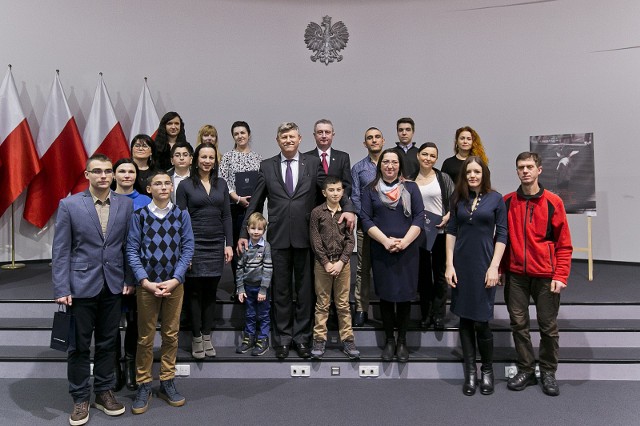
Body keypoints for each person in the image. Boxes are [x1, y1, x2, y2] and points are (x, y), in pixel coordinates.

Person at [238, 122, 355, 360]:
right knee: (280, 291)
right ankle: (282, 339)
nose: (288, 140)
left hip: (307, 237)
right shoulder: (267, 166)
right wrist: (243, 233)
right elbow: (256, 203)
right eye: (284, 137)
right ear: (277, 140)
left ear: (300, 139)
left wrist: (349, 208)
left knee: (304, 292)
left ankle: (302, 338)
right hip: (278, 237)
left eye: (292, 137)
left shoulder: (312, 163)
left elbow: (333, 188)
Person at [52, 153, 133, 426]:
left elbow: (129, 246)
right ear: (86, 175)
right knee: (79, 346)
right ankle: (79, 397)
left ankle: (103, 392)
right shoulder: (69, 205)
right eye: (97, 171)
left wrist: (129, 279)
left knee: (109, 343)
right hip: (80, 287)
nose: (103, 176)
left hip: (113, 285)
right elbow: (61, 251)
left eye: (108, 171)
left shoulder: (125, 205)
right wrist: (61, 286)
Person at [502, 151, 573, 397]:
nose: (525, 171)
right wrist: (501, 270)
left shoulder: (554, 202)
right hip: (516, 276)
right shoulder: (507, 202)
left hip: (545, 276)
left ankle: (548, 371)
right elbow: (502, 240)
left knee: (548, 326)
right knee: (518, 324)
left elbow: (564, 244)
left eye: (529, 166)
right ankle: (526, 369)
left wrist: (560, 275)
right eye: (521, 167)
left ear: (539, 170)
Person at [126, 169, 194, 414]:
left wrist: (176, 279)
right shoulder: (140, 216)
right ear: (149, 189)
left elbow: (187, 248)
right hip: (147, 286)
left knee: (171, 335)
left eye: (167, 183)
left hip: (174, 285)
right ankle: (144, 383)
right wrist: (145, 281)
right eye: (158, 183)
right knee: (145, 338)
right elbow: (132, 250)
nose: (164, 187)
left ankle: (167, 380)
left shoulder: (181, 214)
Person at [445, 156, 507, 396]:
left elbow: (502, 235)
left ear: (484, 174)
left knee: (482, 320)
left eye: (477, 172)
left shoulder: (496, 199)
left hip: (484, 265)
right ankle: (470, 372)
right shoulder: (457, 198)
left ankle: (487, 370)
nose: (472, 175)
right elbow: (451, 232)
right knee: (465, 319)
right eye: (468, 172)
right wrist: (449, 265)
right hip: (461, 265)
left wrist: (494, 267)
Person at [360, 149, 424, 362]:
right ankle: (389, 340)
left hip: (408, 250)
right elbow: (366, 219)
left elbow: (419, 217)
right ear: (380, 166)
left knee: (405, 296)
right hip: (382, 249)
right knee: (386, 297)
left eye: (394, 162)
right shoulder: (370, 189)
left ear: (400, 165)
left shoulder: (412, 188)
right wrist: (386, 241)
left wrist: (405, 241)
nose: (389, 165)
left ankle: (402, 341)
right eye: (385, 162)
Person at [176, 142, 233, 359]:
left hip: (216, 242)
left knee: (210, 293)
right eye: (203, 157)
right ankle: (196, 337)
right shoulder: (185, 186)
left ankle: (208, 336)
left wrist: (228, 243)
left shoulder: (222, 184)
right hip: (194, 243)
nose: (207, 161)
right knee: (194, 293)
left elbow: (227, 215)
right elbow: (181, 219)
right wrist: (185, 250)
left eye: (211, 157)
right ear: (195, 159)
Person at [112, 158, 152, 391]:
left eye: (131, 171)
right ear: (114, 174)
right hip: (111, 271)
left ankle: (131, 367)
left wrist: (136, 275)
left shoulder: (146, 201)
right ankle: (114, 368)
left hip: (138, 272)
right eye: (122, 171)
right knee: (111, 324)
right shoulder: (108, 199)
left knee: (136, 323)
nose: (127, 175)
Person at [309, 175, 359, 360]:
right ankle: (319, 339)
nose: (335, 193)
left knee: (343, 304)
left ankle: (347, 339)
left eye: (338, 189)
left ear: (343, 192)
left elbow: (350, 240)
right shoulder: (317, 213)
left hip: (342, 264)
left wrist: (341, 262)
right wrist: (326, 262)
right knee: (322, 303)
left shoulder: (347, 214)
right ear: (324, 192)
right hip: (323, 264)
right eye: (331, 190)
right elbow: (315, 240)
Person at [410, 142, 454, 330]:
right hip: (418, 234)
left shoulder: (443, 178)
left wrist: (447, 216)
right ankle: (425, 314)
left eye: (432, 156)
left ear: (436, 159)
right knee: (423, 276)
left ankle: (438, 314)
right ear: (418, 156)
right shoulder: (409, 180)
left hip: (440, 233)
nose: (428, 158)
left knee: (440, 275)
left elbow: (454, 202)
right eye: (425, 154)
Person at [219, 121, 263, 282]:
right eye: (236, 134)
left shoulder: (258, 158)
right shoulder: (227, 157)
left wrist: (252, 203)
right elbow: (223, 181)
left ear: (248, 134)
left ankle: (253, 284)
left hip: (254, 209)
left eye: (242, 133)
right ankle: (239, 286)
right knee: (238, 246)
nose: (240, 136)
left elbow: (261, 183)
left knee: (253, 247)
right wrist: (237, 198)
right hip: (234, 207)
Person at [350, 127, 385, 326]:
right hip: (365, 226)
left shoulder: (392, 164)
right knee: (363, 269)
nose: (374, 140)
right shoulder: (358, 168)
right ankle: (361, 309)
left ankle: (387, 306)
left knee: (387, 267)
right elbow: (355, 196)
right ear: (365, 143)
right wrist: (364, 219)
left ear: (383, 140)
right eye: (369, 138)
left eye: (377, 137)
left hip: (389, 227)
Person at [235, 212, 273, 356]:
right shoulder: (245, 246)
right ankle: (249, 338)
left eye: (259, 229)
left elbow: (268, 268)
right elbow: (239, 268)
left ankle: (263, 339)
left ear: (264, 231)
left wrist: (263, 289)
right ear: (247, 229)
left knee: (263, 314)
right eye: (253, 228)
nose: (256, 232)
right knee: (250, 314)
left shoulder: (266, 247)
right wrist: (240, 288)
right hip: (247, 287)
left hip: (261, 288)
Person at [304, 119, 353, 204]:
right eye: (320, 132)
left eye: (327, 132)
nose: (324, 136)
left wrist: (339, 203)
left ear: (332, 135)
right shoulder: (305, 158)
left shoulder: (343, 157)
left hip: (337, 208)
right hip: (313, 209)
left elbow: (347, 185)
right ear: (314, 135)